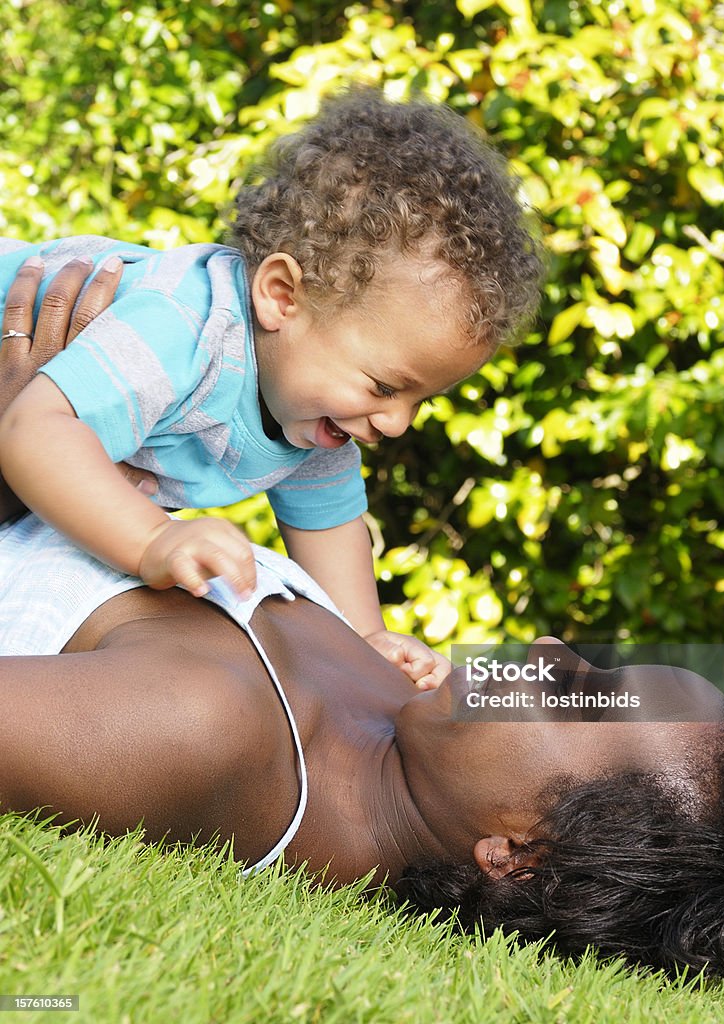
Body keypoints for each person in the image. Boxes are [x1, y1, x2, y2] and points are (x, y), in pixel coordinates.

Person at [0, 263, 724, 994]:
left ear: (515, 852)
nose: (545, 651)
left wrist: (29, 435)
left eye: (572, 694)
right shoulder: (401, 700)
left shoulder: (199, 732)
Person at [0, 88, 543, 688]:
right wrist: (152, 539)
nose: (396, 424)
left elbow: (331, 529)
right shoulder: (182, 327)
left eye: (421, 401)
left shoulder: (310, 420)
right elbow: (36, 429)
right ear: (282, 296)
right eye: (385, 386)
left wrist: (366, 644)